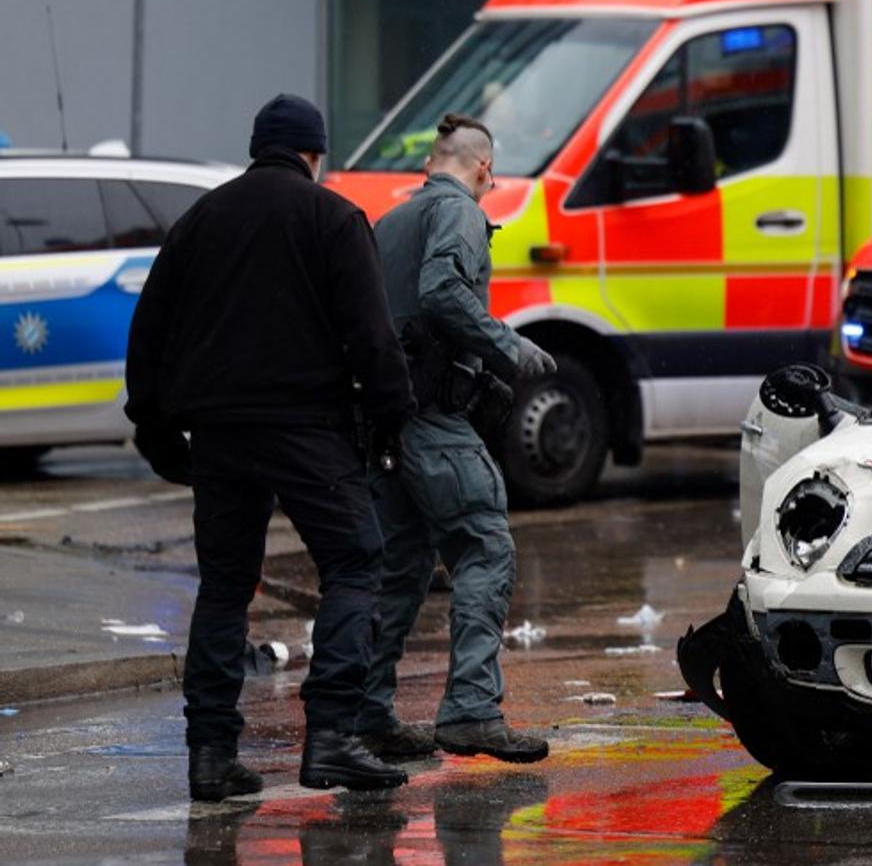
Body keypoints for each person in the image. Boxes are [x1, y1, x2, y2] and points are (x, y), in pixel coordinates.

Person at [125, 93, 415, 800]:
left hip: (220, 431)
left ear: (258, 147)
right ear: (315, 154)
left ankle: (210, 754)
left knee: (225, 585)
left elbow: (150, 327)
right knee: (354, 561)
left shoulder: (202, 219)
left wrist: (156, 427)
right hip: (308, 426)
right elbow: (372, 337)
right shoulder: (332, 217)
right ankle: (334, 737)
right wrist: (393, 419)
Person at [355, 113, 556, 762]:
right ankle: (470, 708)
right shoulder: (462, 213)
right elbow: (441, 290)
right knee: (484, 546)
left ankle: (369, 712)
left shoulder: (390, 224)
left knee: (402, 565)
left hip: (383, 424)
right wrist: (509, 346)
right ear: (482, 169)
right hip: (432, 418)